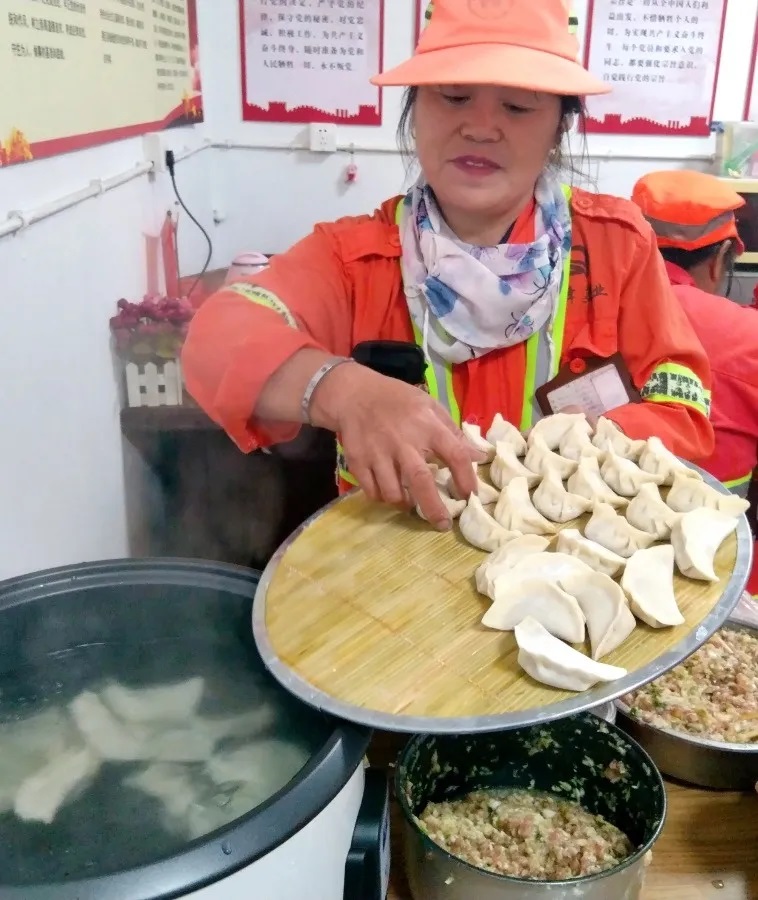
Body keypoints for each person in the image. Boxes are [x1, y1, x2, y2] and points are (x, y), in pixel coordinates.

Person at [182, 0, 713, 531]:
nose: (480, 128)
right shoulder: (355, 260)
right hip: (396, 557)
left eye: (517, 107)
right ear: (415, 110)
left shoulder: (616, 247)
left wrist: (598, 442)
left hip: (567, 556)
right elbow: (217, 337)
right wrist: (340, 389)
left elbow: (681, 403)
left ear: (559, 126)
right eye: (454, 97)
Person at [632, 169, 758, 597]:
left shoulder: (581, 319)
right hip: (716, 573)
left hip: (596, 557)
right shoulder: (748, 337)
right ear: (721, 257)